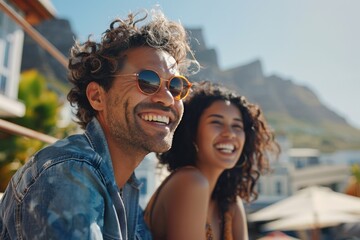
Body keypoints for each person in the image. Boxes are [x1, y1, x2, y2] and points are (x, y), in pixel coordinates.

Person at [0, 9, 199, 239]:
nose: (167, 98)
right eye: (147, 80)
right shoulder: (69, 175)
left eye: (176, 87)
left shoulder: (126, 189)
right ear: (97, 97)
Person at [144, 81, 279, 240]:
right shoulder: (189, 181)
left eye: (237, 126)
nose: (230, 134)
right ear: (192, 132)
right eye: (216, 122)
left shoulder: (230, 204)